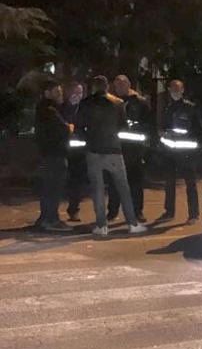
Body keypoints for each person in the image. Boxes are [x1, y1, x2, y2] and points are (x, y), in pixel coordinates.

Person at [78, 76, 147, 236]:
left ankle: (101, 225)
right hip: (114, 150)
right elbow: (123, 126)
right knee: (123, 188)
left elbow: (79, 127)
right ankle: (132, 223)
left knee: (98, 189)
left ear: (94, 87)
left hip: (94, 150)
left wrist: (89, 139)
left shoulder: (86, 103)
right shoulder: (118, 103)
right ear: (107, 86)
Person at [106, 75, 151, 222]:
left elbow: (149, 125)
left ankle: (137, 212)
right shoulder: (110, 102)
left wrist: (146, 146)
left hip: (135, 150)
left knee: (135, 183)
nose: (120, 88)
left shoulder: (140, 102)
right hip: (116, 149)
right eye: (117, 85)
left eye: (123, 85)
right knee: (114, 183)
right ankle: (112, 212)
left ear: (129, 85)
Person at [157, 79, 202, 225]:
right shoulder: (168, 107)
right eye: (173, 90)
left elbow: (199, 130)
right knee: (169, 184)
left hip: (187, 153)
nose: (175, 92)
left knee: (191, 185)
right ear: (169, 91)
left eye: (178, 90)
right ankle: (169, 211)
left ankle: (193, 214)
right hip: (170, 152)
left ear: (182, 90)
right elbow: (163, 127)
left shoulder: (191, 108)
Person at [34, 78, 73, 232]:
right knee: (53, 187)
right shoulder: (49, 110)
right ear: (47, 93)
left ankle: (46, 218)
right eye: (57, 92)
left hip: (49, 153)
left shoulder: (46, 109)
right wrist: (69, 127)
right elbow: (64, 129)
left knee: (49, 187)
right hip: (54, 153)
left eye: (60, 91)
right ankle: (51, 219)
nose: (60, 94)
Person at [61, 81, 87, 222]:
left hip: (79, 152)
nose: (78, 95)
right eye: (76, 92)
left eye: (80, 92)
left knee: (77, 182)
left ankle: (74, 210)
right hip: (65, 150)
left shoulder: (84, 108)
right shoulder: (63, 108)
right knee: (65, 181)